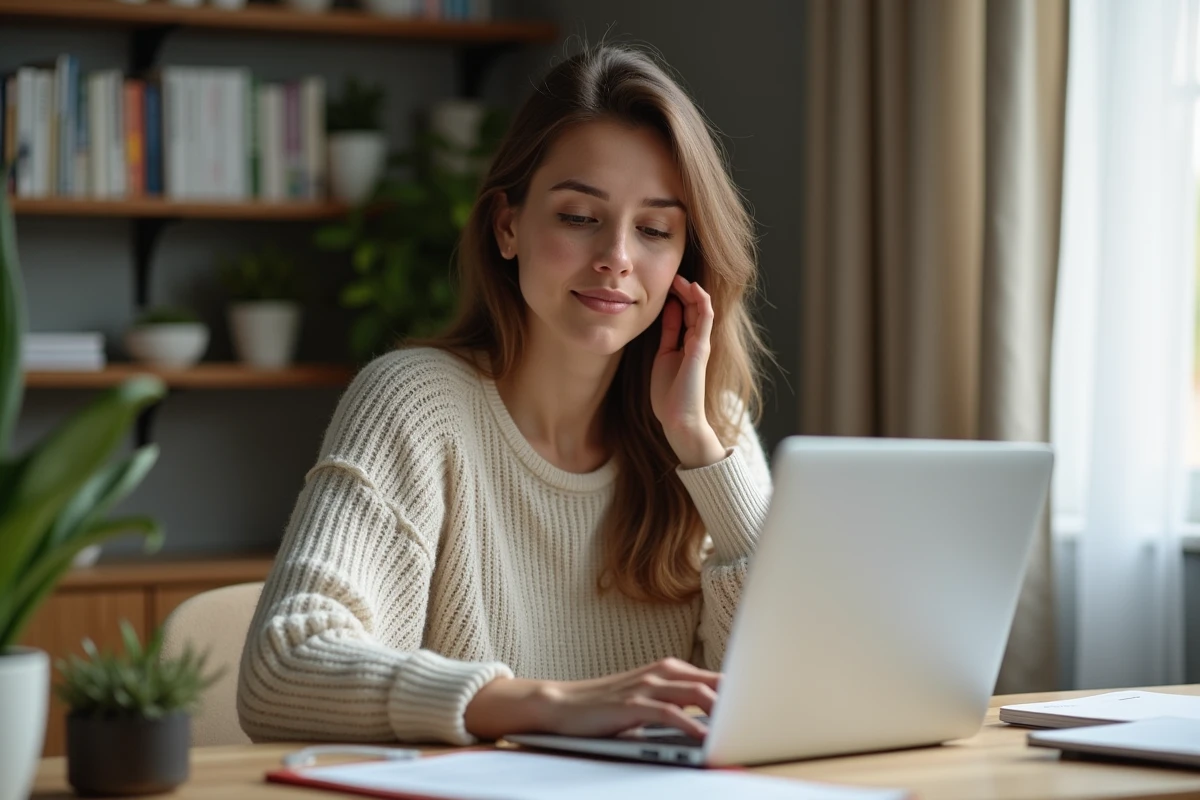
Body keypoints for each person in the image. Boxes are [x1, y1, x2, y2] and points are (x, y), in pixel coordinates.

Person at [236, 42, 773, 747]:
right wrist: (548, 704)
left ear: (683, 259)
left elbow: (787, 687)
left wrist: (703, 454)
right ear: (508, 225)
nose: (616, 254)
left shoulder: (710, 426)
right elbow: (281, 670)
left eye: (654, 228)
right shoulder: (416, 405)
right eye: (580, 216)